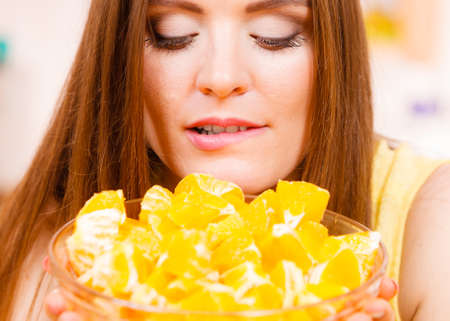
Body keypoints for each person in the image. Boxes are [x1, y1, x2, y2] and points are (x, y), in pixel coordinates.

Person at [0, 0, 448, 320]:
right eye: (172, 33)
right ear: (118, 53)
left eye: (274, 33)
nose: (221, 77)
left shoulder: (435, 222)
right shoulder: (66, 252)